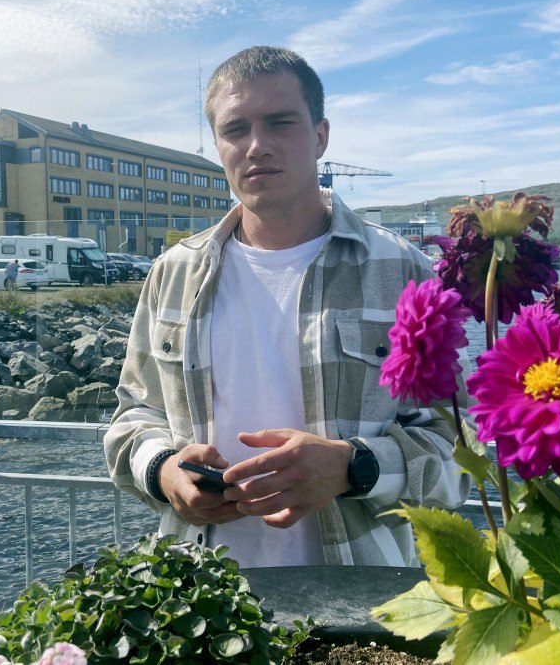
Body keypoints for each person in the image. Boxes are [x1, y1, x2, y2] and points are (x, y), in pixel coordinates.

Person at [104, 46, 470, 568]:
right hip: (204, 604)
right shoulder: (173, 273)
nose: (257, 146)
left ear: (320, 136)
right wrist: (163, 470)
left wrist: (354, 468)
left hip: (358, 607)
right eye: (236, 130)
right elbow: (132, 418)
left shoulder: (403, 270)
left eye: (280, 123)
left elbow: (462, 449)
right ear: (217, 145)